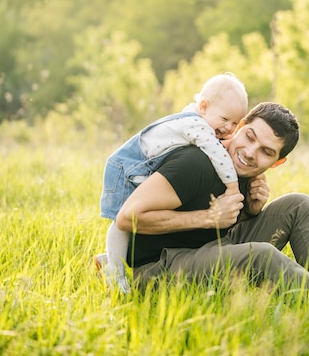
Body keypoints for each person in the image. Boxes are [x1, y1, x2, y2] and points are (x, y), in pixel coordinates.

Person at [110, 102, 309, 300]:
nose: (249, 152)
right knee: (261, 256)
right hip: (158, 271)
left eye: (266, 152)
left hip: (208, 251)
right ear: (240, 126)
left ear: (277, 162)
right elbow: (127, 218)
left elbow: (215, 228)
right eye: (249, 136)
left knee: (299, 205)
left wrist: (251, 212)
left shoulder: (245, 174)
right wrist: (209, 217)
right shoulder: (195, 163)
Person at [97, 73, 249, 293]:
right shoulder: (196, 125)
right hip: (128, 168)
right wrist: (233, 187)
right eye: (225, 120)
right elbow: (216, 152)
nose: (228, 128)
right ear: (204, 106)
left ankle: (109, 259)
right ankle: (115, 274)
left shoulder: (197, 116)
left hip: (141, 166)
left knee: (138, 216)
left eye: (235, 124)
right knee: (123, 220)